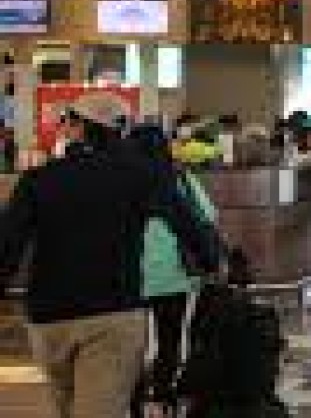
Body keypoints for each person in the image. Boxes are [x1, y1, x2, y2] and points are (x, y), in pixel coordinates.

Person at [0, 96, 220, 418]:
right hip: (114, 311)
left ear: (77, 128)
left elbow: (8, 243)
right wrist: (210, 262)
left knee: (69, 407)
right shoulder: (141, 176)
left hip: (49, 316)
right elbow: (188, 222)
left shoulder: (39, 180)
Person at [128, 124, 218, 418]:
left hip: (130, 276)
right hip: (175, 274)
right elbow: (206, 216)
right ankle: (164, 396)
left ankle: (135, 399)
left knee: (132, 343)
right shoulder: (181, 179)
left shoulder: (121, 183)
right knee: (170, 337)